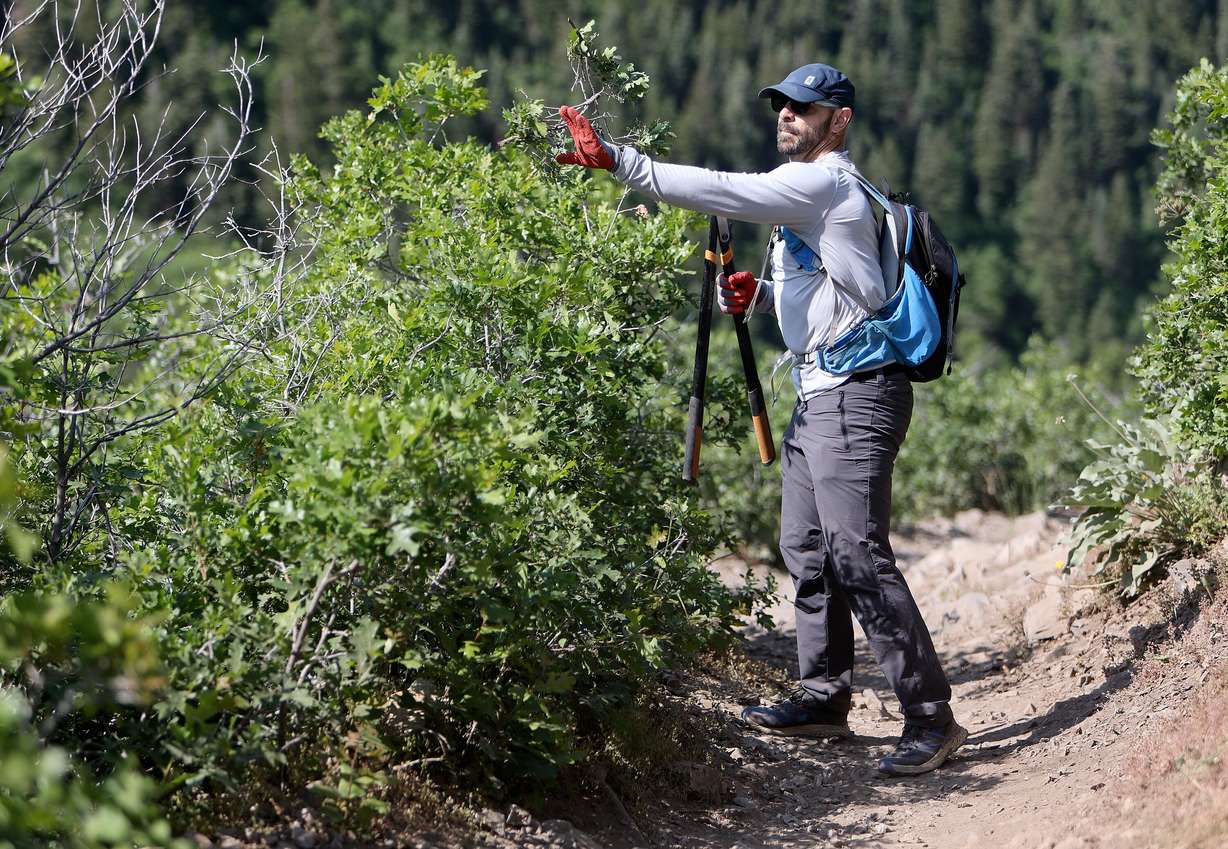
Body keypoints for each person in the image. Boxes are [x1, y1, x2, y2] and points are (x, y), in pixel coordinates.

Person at [556, 62, 966, 777]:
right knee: (807, 546)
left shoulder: (827, 181)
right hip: (821, 392)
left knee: (857, 554)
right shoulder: (825, 193)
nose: (786, 115)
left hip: (858, 394)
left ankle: (931, 718)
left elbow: (726, 192)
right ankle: (823, 694)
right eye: (781, 104)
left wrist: (622, 161)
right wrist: (768, 294)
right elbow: (843, 282)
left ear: (837, 121)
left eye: (803, 108)